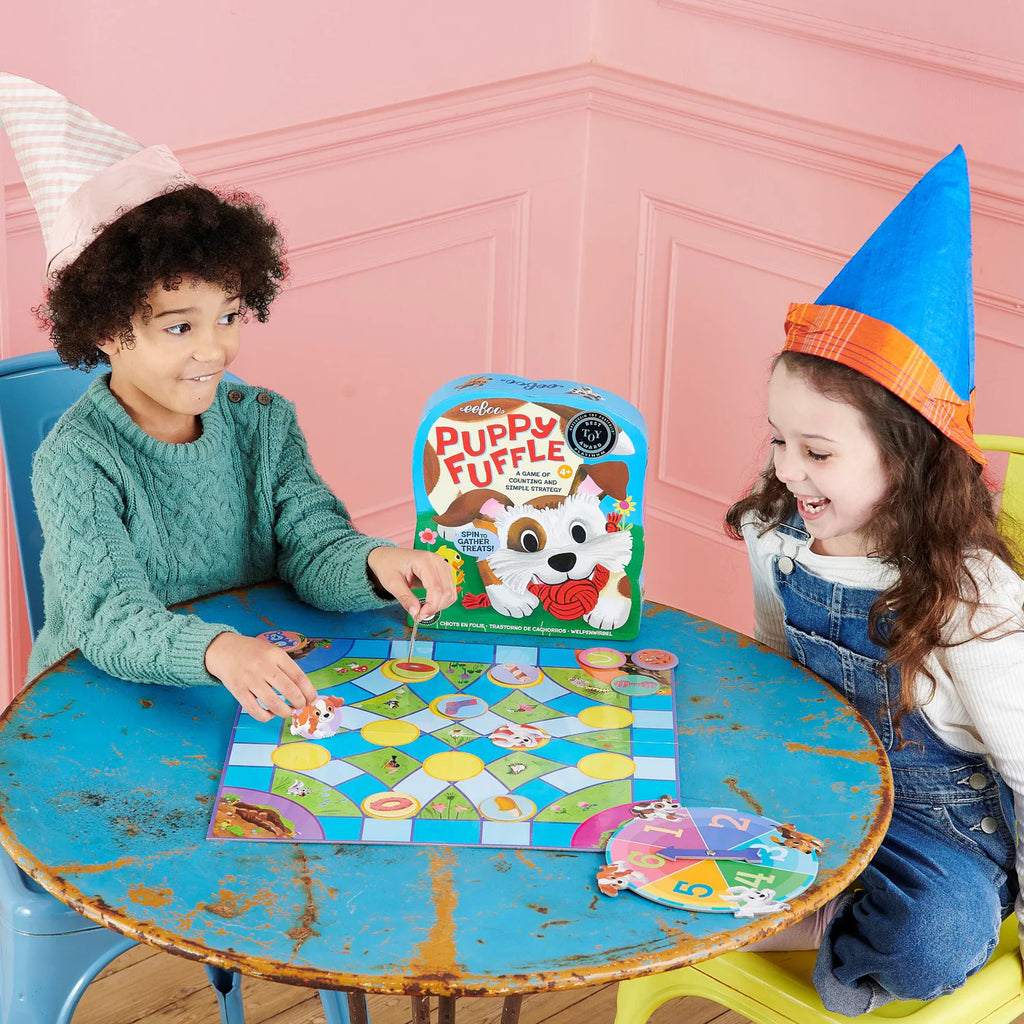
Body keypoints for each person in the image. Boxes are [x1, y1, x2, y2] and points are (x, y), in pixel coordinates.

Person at [0, 73, 456, 721]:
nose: (213, 351)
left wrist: (374, 561)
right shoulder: (77, 461)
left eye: (230, 316)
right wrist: (220, 652)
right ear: (106, 328)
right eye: (180, 326)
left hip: (241, 676)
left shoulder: (264, 423)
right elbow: (111, 618)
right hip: (102, 696)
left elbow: (315, 546)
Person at [726, 146, 1024, 1015]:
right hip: (816, 786)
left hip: (939, 836)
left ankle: (814, 921)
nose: (788, 472)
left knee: (933, 937)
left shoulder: (972, 597)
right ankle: (792, 894)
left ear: (909, 456)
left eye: (819, 452)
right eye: (779, 439)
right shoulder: (776, 537)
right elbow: (776, 674)